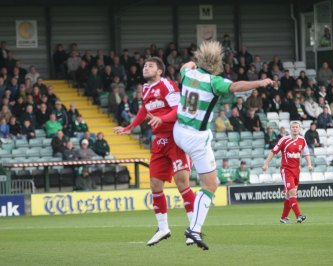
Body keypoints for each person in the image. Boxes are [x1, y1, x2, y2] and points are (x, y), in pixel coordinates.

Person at [172, 41, 274, 250]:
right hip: (195, 137)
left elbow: (184, 67)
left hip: (178, 131)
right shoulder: (214, 81)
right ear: (217, 63)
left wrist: (193, 62)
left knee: (197, 176)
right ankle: (194, 229)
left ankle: (192, 226)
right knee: (211, 185)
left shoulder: (187, 74)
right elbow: (236, 87)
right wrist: (260, 82)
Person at [113, 57, 196, 247]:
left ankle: (194, 228)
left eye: (150, 66)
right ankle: (163, 228)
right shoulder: (147, 88)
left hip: (175, 138)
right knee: (155, 184)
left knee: (181, 181)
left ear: (160, 71)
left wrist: (163, 119)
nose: (145, 68)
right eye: (144, 65)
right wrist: (129, 127)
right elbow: (144, 109)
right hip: (159, 142)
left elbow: (178, 109)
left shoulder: (167, 85)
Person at [262, 121, 312, 224]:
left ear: (299, 129)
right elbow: (273, 151)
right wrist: (266, 163)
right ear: (290, 129)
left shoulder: (302, 140)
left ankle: (283, 218)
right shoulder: (284, 140)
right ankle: (299, 215)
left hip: (296, 171)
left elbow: (306, 153)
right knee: (292, 192)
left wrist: (309, 164)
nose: (295, 129)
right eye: (293, 127)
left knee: (289, 196)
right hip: (286, 170)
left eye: (296, 127)